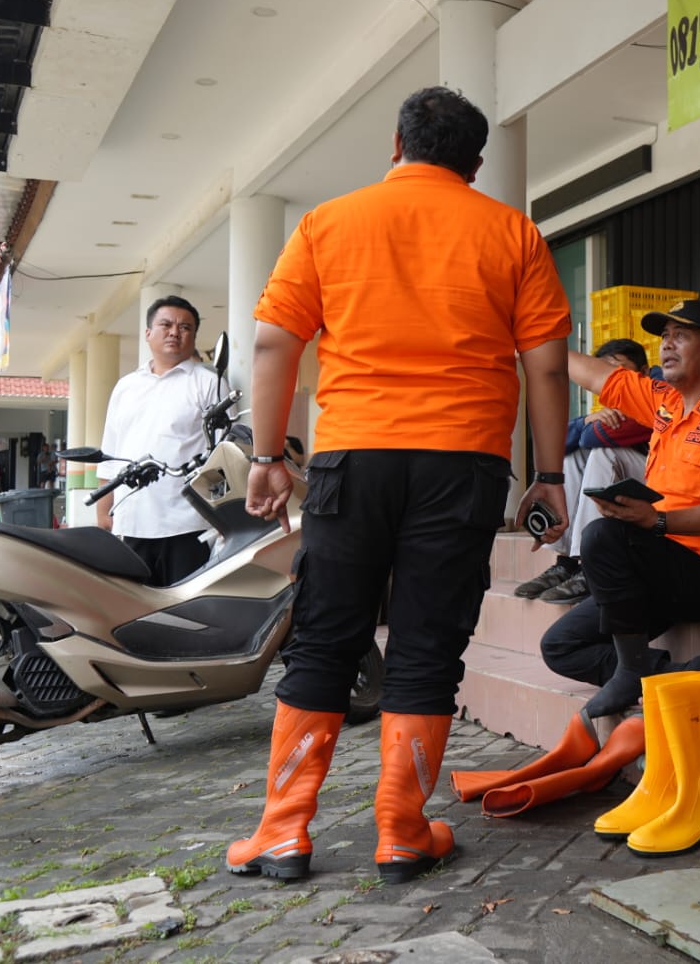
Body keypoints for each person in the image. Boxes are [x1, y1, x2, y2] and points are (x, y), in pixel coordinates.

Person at [227, 86, 572, 884]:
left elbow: (274, 343)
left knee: (325, 635)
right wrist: (551, 475)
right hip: (465, 463)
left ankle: (282, 832)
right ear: (476, 164)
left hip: (356, 456)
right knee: (427, 641)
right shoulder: (512, 231)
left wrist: (269, 455)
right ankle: (401, 832)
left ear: (396, 145)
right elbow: (547, 364)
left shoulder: (328, 222)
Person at [542, 298, 700, 718]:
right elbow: (600, 376)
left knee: (602, 535)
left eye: (680, 337)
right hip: (663, 564)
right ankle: (678, 673)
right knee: (560, 647)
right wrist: (532, 342)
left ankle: (630, 670)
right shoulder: (666, 404)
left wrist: (658, 521)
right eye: (665, 338)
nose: (666, 347)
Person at [516, 338, 657, 605]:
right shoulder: (607, 409)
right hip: (633, 488)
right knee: (570, 457)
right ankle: (567, 562)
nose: (609, 378)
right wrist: (584, 422)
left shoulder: (652, 392)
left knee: (602, 452)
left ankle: (588, 567)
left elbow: (596, 437)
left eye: (618, 370)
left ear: (644, 372)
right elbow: (563, 440)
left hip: (665, 491)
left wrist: (586, 427)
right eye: (604, 371)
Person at [95, 296, 221, 586]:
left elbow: (224, 455)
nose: (175, 332)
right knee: (134, 612)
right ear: (148, 333)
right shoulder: (126, 386)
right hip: (130, 522)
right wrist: (104, 511)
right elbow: (110, 453)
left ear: (194, 336)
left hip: (189, 524)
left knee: (184, 614)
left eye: (185, 327)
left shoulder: (208, 382)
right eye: (165, 324)